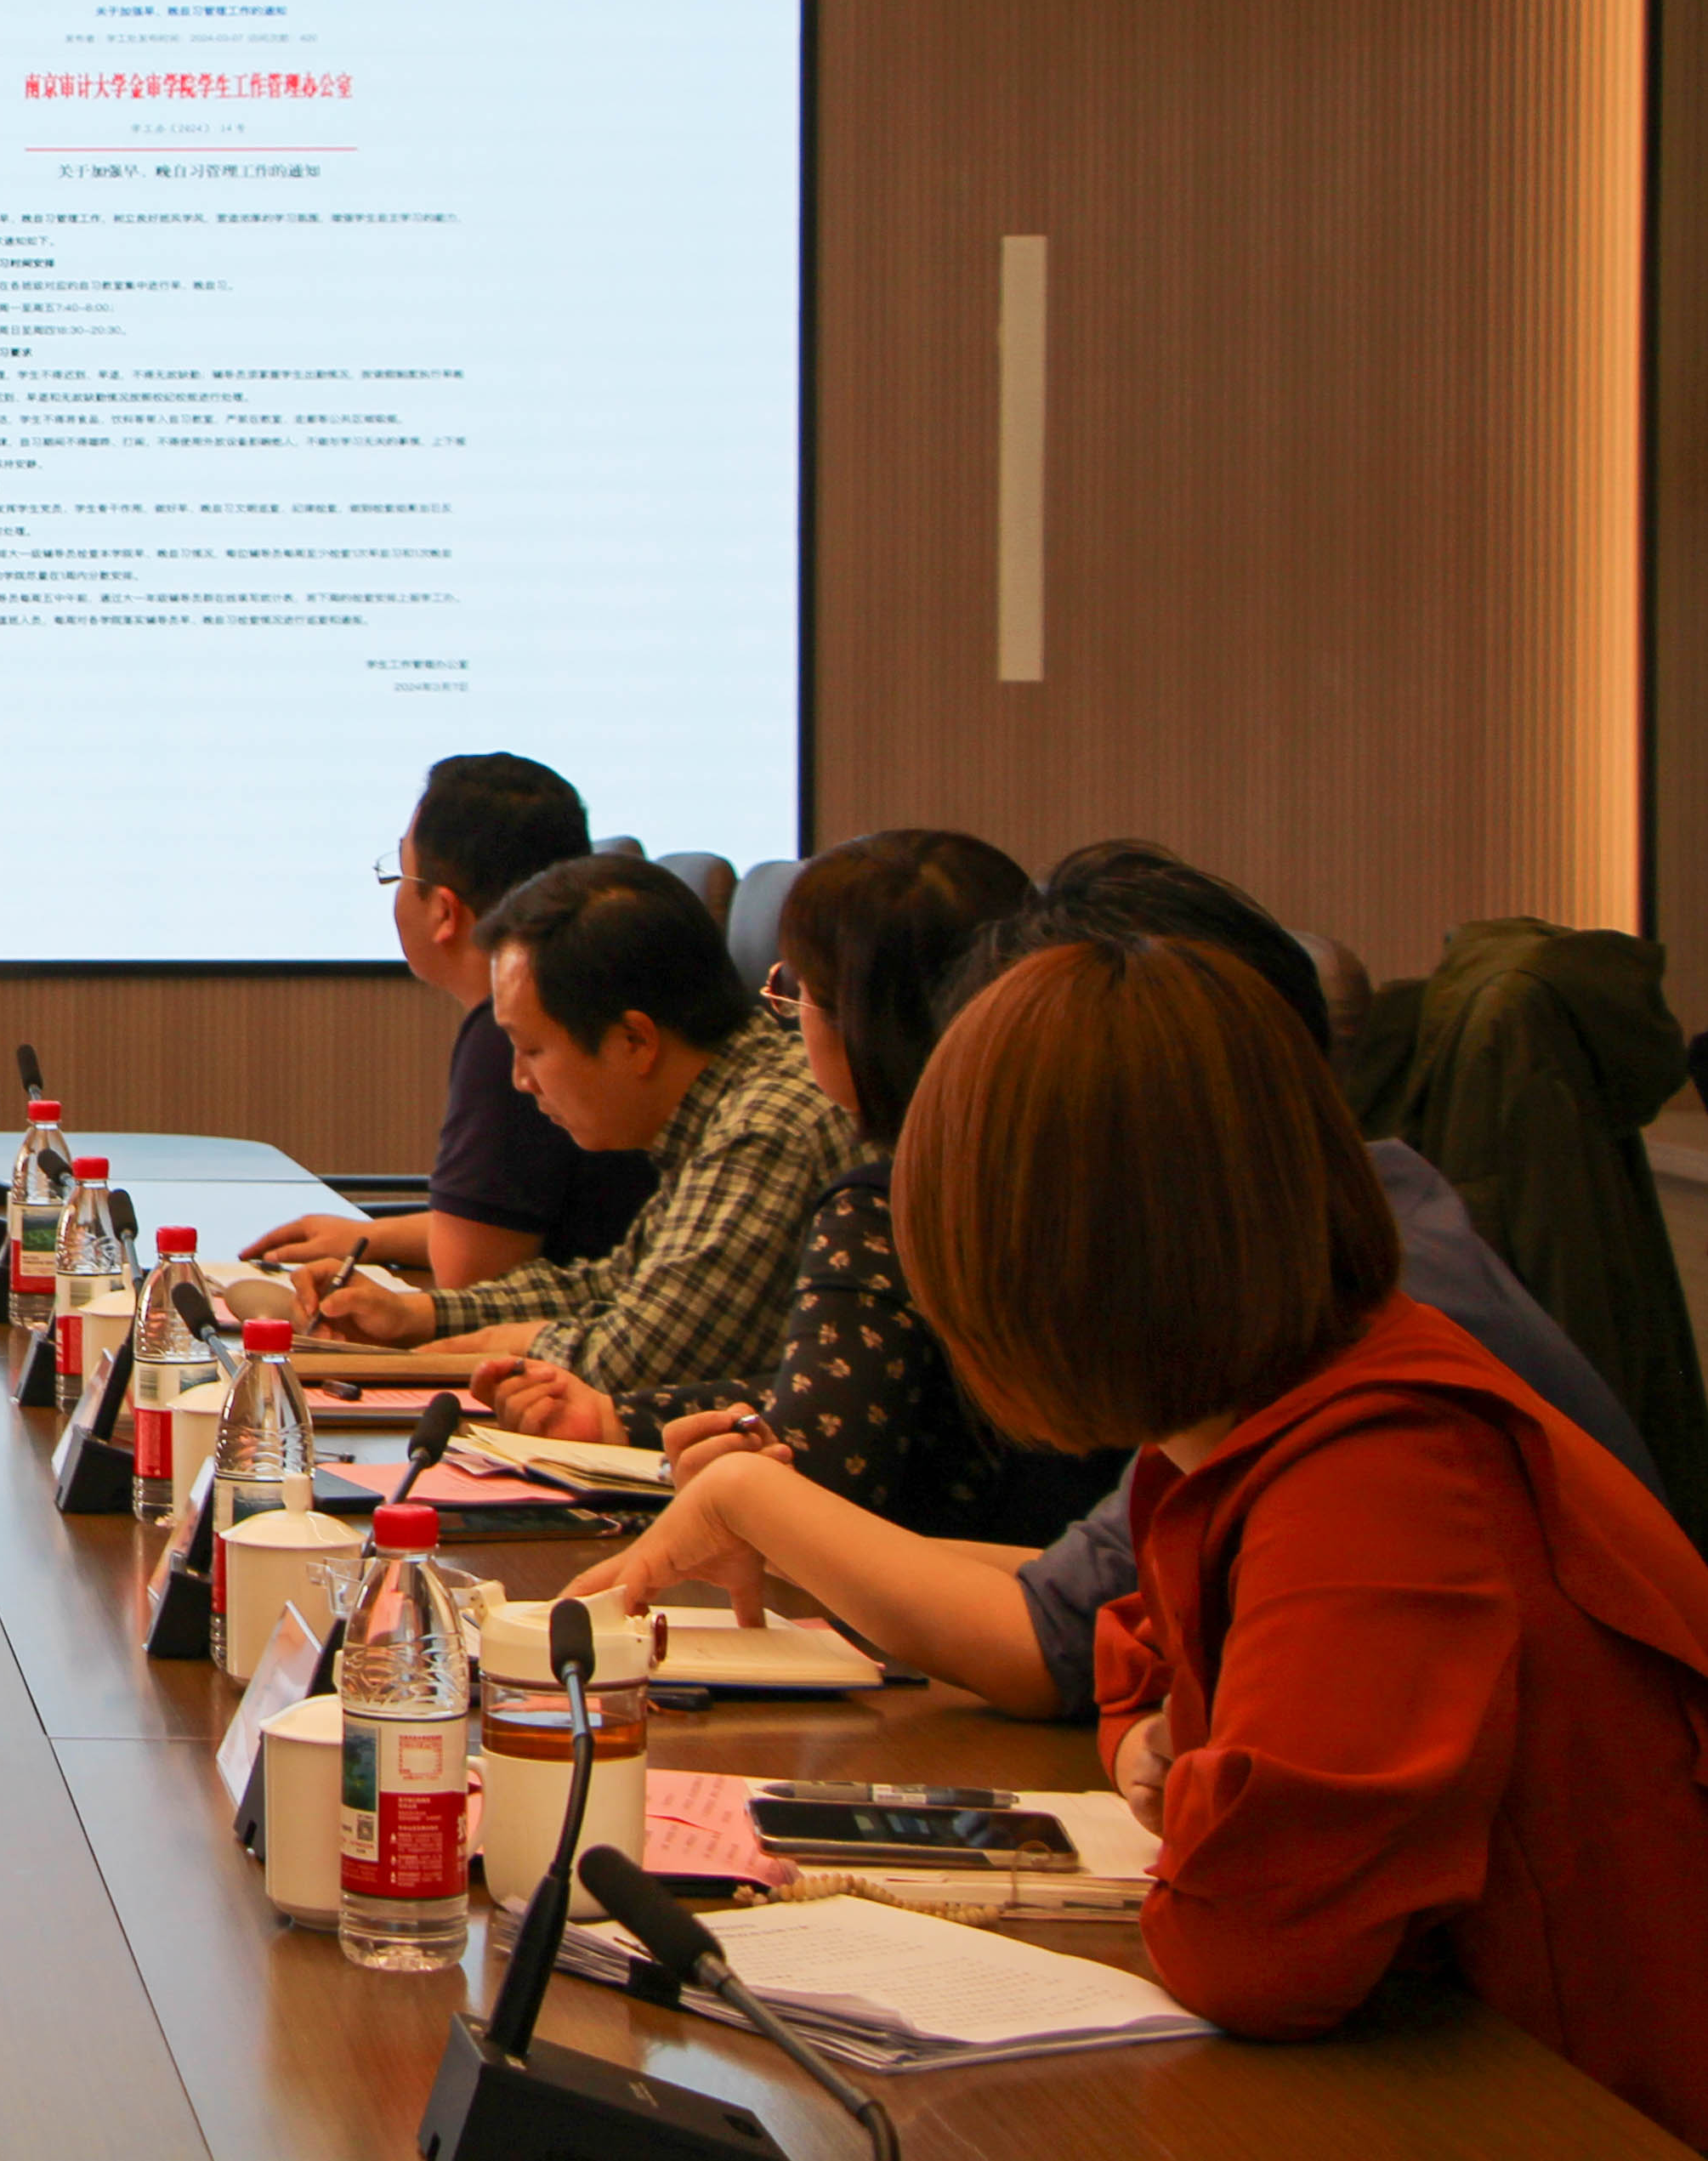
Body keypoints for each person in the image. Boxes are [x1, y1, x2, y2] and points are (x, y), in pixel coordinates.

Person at [568, 837, 1666, 1718]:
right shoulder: (1296, 1273)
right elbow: (1096, 1602)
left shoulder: (1358, 1377)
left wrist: (759, 1500)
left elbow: (1064, 1647)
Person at [905, 939, 1708, 2142]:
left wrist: (1189, 1772)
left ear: (1050, 1265)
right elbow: (1133, 1659)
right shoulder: (1261, 1410)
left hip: (1586, 2112)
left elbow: (1254, 1952)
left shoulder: (1379, 1469)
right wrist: (1170, 1751)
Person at [468, 831, 1126, 1545]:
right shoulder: (1053, 1166)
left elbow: (815, 1467)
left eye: (798, 989)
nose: (784, 1014)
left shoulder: (879, 1196)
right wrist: (616, 1418)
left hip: (968, 1587)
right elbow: (846, 1383)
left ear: (862, 1023)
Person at [307, 854, 856, 1397]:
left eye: (532, 1049)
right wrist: (416, 1315)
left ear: (634, 1041)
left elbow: (631, 1360)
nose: (520, 1079)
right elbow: (616, 1284)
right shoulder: (719, 1102)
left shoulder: (763, 1131)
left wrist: (489, 1344)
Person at [251, 755, 652, 1289]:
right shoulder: (587, 997)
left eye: (399, 873)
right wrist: (368, 1237)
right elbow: (502, 1225)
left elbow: (471, 1276)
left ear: (444, 912)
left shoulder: (508, 1038)